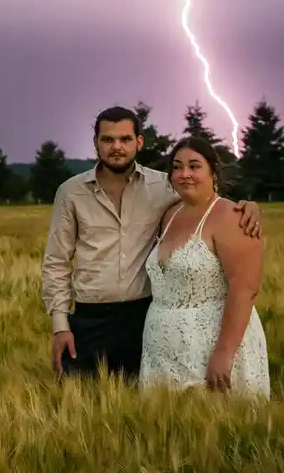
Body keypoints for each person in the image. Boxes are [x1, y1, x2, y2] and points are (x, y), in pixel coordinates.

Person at [41, 105, 262, 381]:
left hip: (143, 318)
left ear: (139, 142)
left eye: (125, 139)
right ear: (96, 143)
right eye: (107, 139)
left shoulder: (164, 186)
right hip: (90, 320)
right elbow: (56, 262)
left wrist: (247, 206)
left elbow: (205, 199)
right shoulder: (70, 193)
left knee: (141, 409)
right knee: (80, 405)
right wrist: (60, 326)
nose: (116, 147)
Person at [139, 136, 271, 397]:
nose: (184, 174)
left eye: (194, 166)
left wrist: (224, 351)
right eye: (176, 167)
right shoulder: (169, 213)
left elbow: (246, 289)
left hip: (212, 346)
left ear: (213, 172)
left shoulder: (231, 217)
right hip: (160, 350)